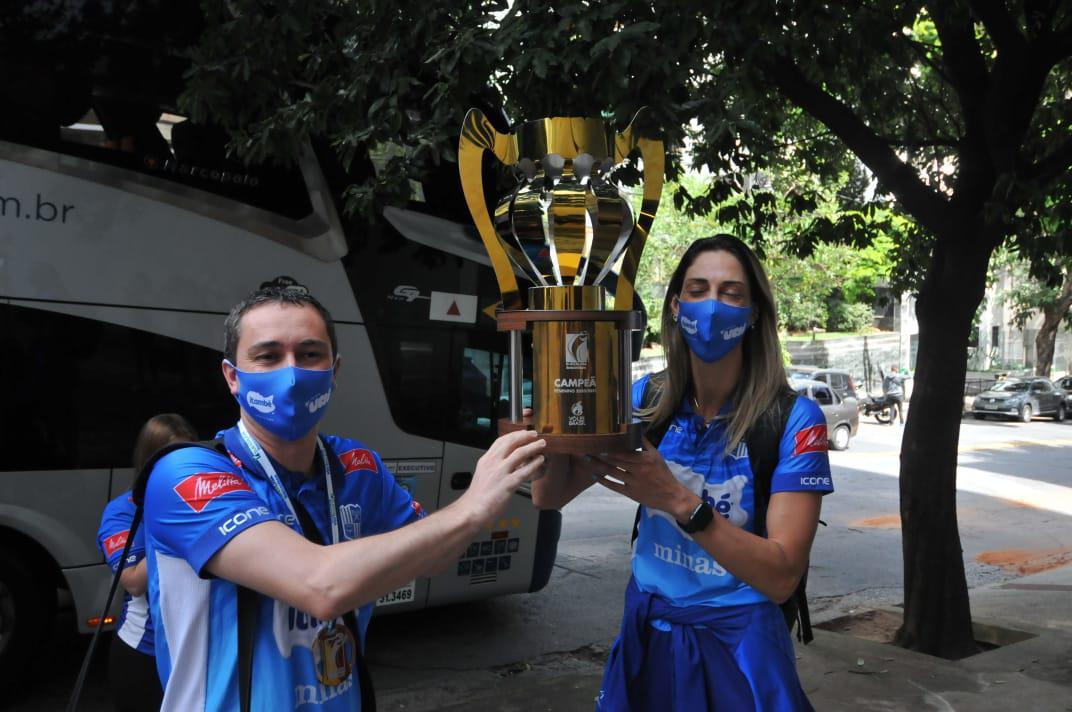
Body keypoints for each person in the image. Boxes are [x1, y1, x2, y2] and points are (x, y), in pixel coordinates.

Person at [142, 281, 545, 711]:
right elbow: (320, 586)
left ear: (334, 371)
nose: (292, 373)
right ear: (232, 377)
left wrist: (509, 465)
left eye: (310, 354)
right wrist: (472, 506)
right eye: (268, 356)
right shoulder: (185, 474)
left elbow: (432, 557)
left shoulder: (357, 465)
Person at [533, 235, 833, 711]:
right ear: (675, 306)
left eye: (731, 293)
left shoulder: (793, 420)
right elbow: (549, 497)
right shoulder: (645, 401)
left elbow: (781, 577)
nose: (713, 307)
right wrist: (552, 434)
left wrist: (677, 500)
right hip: (648, 634)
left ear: (754, 313)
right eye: (698, 289)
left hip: (741, 649)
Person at [96, 413, 197, 712]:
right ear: (149, 460)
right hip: (145, 651)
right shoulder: (122, 511)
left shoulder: (202, 502)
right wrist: (171, 522)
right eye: (169, 457)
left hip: (194, 647)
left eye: (186, 455)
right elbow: (133, 581)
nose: (179, 467)